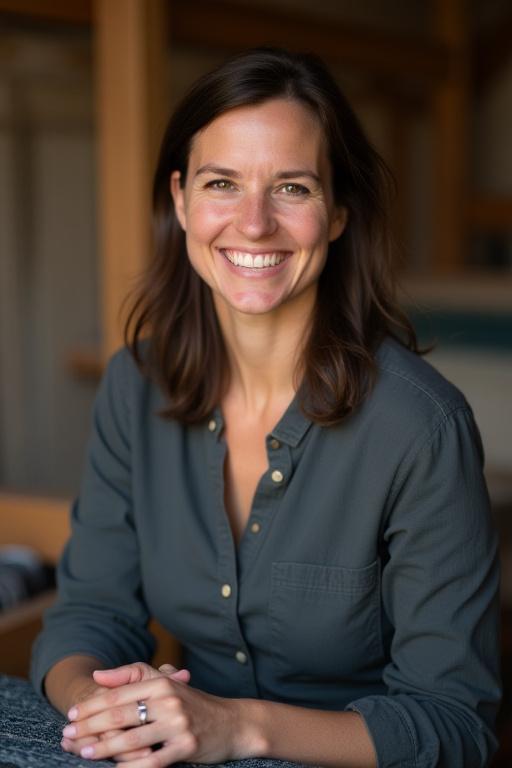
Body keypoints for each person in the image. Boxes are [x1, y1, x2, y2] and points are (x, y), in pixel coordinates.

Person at [31, 48, 501, 768]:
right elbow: (91, 613)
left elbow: (455, 723)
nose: (253, 224)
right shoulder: (135, 385)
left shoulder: (422, 428)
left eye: (292, 188)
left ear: (337, 212)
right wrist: (103, 708)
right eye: (223, 183)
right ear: (181, 199)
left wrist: (236, 726)